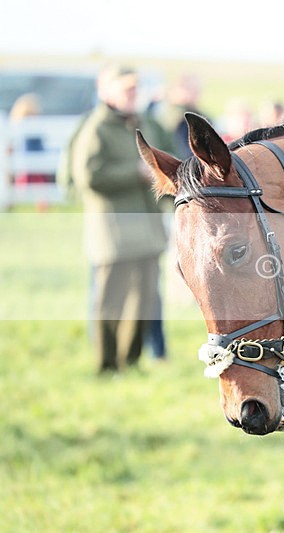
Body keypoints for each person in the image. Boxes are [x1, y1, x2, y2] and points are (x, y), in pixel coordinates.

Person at [68, 64, 175, 374]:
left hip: (149, 230)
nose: (132, 92)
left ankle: (133, 361)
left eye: (135, 87)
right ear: (106, 90)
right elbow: (88, 176)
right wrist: (135, 172)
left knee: (144, 301)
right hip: (113, 232)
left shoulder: (147, 124)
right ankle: (107, 366)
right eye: (126, 87)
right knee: (110, 302)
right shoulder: (96, 128)